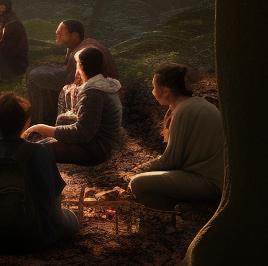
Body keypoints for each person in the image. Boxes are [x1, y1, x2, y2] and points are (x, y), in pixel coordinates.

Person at [0, 92, 78, 249]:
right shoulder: (40, 153)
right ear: (27, 123)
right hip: (32, 241)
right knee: (72, 220)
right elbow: (56, 217)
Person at [129, 63, 224, 211]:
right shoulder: (195, 104)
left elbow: (171, 161)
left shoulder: (183, 111)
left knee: (137, 183)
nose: (153, 92)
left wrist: (139, 170)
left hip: (210, 182)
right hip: (211, 178)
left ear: (166, 91)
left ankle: (166, 218)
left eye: (154, 87)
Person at [23, 46, 122, 167]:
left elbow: (82, 133)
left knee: (35, 152)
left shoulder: (94, 92)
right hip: (96, 145)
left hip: (94, 150)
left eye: (77, 64)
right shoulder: (101, 87)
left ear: (80, 66)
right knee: (39, 146)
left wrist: (41, 128)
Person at [26, 19, 119, 126]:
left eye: (60, 34)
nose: (57, 36)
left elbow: (74, 80)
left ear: (74, 35)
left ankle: (43, 120)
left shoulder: (83, 53)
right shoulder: (79, 48)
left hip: (96, 95)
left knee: (34, 76)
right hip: (96, 90)